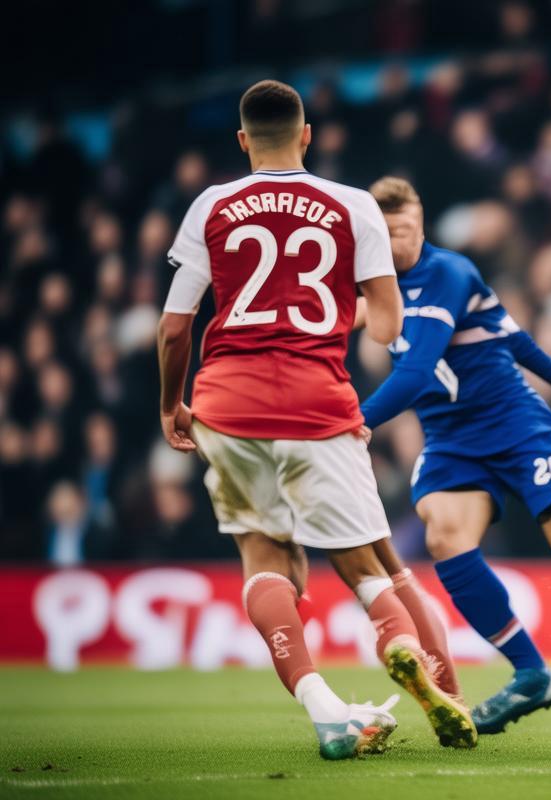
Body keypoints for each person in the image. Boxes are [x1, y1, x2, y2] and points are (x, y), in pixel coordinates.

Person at [156, 80, 477, 759]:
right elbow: (386, 325)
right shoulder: (354, 205)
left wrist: (170, 404)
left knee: (264, 556)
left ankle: (325, 708)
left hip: (227, 405)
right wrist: (333, 313)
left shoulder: (211, 205)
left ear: (242, 141)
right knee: (368, 566)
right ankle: (405, 650)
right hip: (318, 405)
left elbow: (174, 328)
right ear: (307, 136)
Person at [357, 176, 551, 734]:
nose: (397, 242)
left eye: (405, 229)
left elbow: (416, 372)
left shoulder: (449, 273)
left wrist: (354, 421)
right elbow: (517, 338)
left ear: (421, 223)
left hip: (516, 425)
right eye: (385, 233)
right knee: (444, 536)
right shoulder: (372, 284)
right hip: (450, 437)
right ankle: (531, 672)